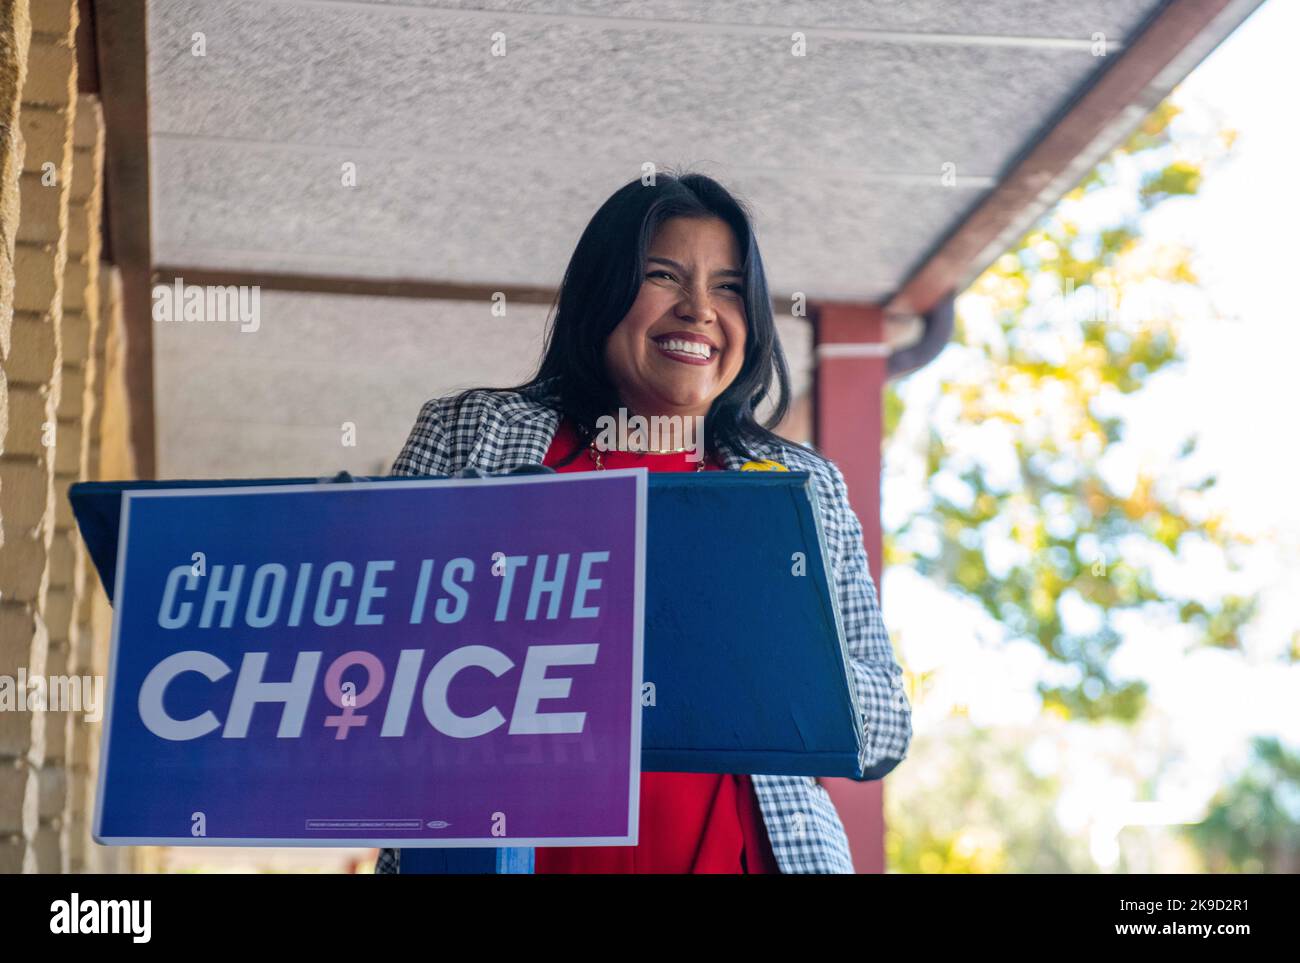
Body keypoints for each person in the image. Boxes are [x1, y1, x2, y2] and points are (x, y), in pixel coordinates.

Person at [375, 171, 911, 874]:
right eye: (664, 275)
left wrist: (761, 661)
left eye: (726, 287)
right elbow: (366, 664)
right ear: (603, 291)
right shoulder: (469, 435)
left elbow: (883, 731)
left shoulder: (802, 487)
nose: (698, 309)